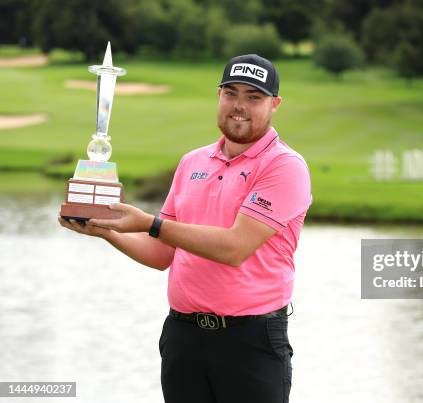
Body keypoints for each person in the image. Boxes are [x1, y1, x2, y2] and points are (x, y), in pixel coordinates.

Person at [58, 54, 312, 403]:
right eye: (231, 93)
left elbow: (234, 248)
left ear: (274, 104)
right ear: (218, 96)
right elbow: (162, 253)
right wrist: (108, 230)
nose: (239, 106)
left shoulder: (284, 166)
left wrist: (150, 223)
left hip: (251, 341)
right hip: (183, 337)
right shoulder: (192, 161)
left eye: (254, 97)